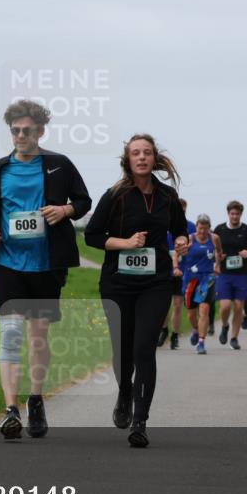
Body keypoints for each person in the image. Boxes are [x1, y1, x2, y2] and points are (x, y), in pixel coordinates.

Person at [0, 99, 92, 439]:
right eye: (15, 131)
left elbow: (84, 201)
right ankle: (11, 410)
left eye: (27, 130)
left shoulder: (59, 164)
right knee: (11, 335)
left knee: (38, 337)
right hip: (9, 263)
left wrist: (65, 211)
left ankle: (37, 398)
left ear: (41, 131)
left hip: (46, 264)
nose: (21, 136)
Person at [85, 134, 188, 447]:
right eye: (135, 153)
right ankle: (124, 393)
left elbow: (179, 229)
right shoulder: (115, 195)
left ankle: (140, 421)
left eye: (146, 153)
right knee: (123, 351)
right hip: (117, 283)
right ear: (127, 160)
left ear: (154, 158)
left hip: (155, 282)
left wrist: (182, 241)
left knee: (144, 347)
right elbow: (91, 235)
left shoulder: (167, 196)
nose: (141, 157)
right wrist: (125, 243)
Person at [212, 201, 247, 350]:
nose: (234, 216)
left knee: (239, 306)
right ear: (228, 214)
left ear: (241, 214)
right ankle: (225, 325)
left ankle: (234, 338)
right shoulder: (219, 229)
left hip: (241, 274)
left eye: (237, 214)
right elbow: (212, 249)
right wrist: (218, 258)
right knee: (225, 306)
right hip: (224, 273)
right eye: (232, 213)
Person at [158, 199, 195, 350]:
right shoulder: (162, 225)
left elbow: (198, 244)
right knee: (163, 305)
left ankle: (175, 335)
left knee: (178, 305)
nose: (181, 211)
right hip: (164, 270)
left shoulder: (191, 226)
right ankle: (164, 330)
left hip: (183, 271)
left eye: (183, 209)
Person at [182, 214, 217, 354]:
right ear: (196, 227)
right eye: (200, 228)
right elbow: (178, 253)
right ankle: (195, 329)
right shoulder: (190, 238)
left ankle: (201, 342)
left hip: (207, 279)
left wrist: (218, 265)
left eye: (205, 228)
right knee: (191, 314)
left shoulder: (214, 239)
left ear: (209, 228)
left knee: (204, 310)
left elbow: (219, 253)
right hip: (191, 279)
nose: (202, 232)